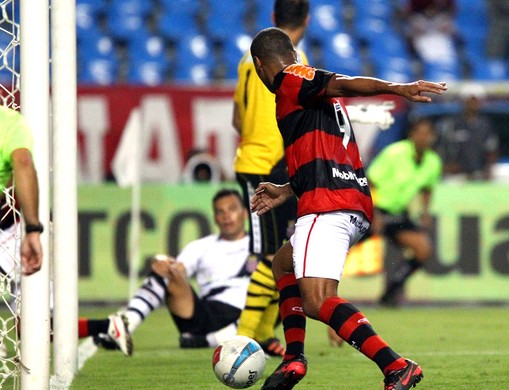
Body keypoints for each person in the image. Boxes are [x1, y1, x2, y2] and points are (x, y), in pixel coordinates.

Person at [248, 27, 447, 389]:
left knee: (317, 299)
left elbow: (344, 82)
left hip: (327, 205)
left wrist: (397, 89)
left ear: (260, 65)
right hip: (350, 201)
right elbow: (323, 157)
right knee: (282, 263)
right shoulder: (309, 99)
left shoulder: (293, 79)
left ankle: (396, 365)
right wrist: (286, 189)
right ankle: (293, 360)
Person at [79, 189, 252, 356]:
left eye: (232, 209)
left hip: (244, 315)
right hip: (203, 314)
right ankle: (127, 324)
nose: (226, 216)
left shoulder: (260, 246)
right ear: (214, 217)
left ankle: (210, 339)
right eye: (220, 211)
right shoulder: (201, 246)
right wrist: (161, 263)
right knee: (167, 270)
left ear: (245, 213)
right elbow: (178, 269)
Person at [231, 0, 308, 357]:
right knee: (268, 254)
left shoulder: (251, 58)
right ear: (306, 21)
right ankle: (243, 337)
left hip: (257, 160)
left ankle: (260, 333)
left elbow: (236, 118)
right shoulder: (297, 62)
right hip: (271, 166)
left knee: (277, 252)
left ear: (275, 18)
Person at [366, 118, 442, 307]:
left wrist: (425, 212)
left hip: (398, 213)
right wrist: (373, 214)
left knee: (423, 249)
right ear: (412, 135)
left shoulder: (433, 162)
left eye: (428, 134)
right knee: (344, 247)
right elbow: (369, 181)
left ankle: (390, 292)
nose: (424, 138)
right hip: (374, 211)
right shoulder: (394, 153)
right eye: (420, 133)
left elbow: (427, 188)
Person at [0, 106, 44, 300]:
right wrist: (33, 228)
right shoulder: (9, 122)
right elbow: (23, 162)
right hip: (11, 228)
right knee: (34, 311)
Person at [434, 83, 498, 181]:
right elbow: (439, 148)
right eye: (470, 100)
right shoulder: (451, 124)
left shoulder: (485, 125)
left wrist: (488, 171)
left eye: (475, 100)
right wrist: (445, 167)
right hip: (453, 177)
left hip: (478, 176)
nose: (472, 103)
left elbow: (491, 149)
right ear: (463, 101)